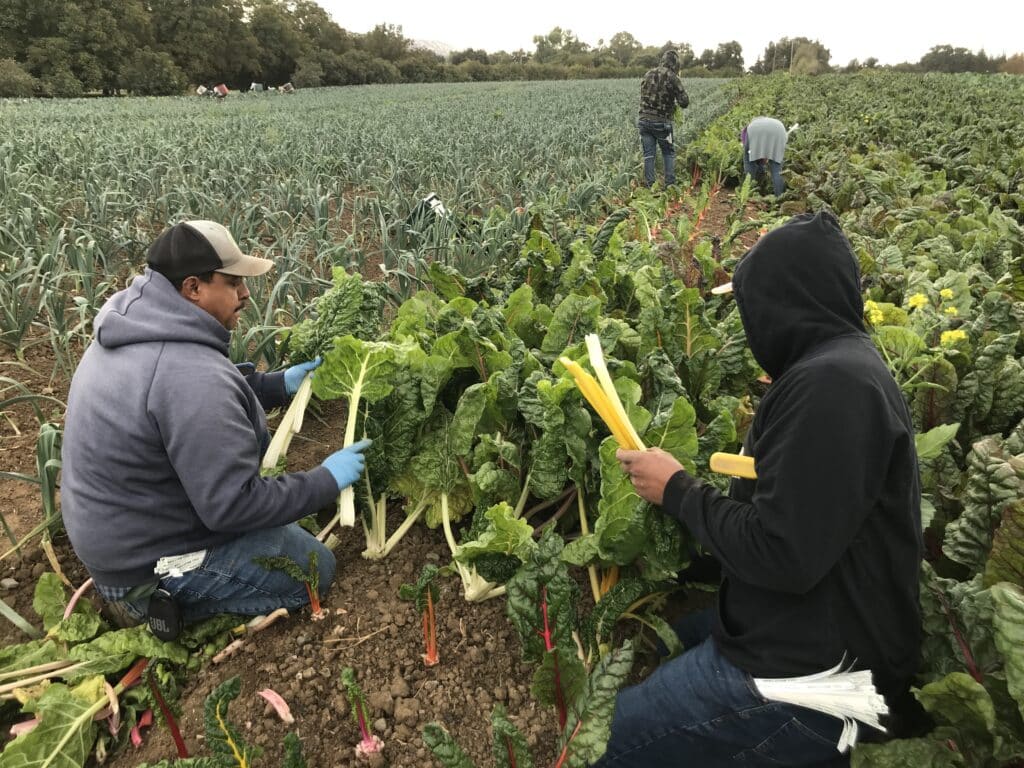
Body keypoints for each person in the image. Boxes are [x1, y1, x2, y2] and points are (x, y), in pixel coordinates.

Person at [597, 211, 924, 767]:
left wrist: (677, 491)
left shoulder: (833, 389)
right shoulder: (837, 366)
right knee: (665, 639)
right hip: (813, 619)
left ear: (784, 305)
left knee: (605, 737)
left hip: (812, 676)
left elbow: (784, 554)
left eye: (752, 309)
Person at [61, 220, 370, 628]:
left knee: (284, 525)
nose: (245, 294)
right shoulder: (188, 377)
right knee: (313, 566)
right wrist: (326, 480)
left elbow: (180, 405)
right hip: (148, 570)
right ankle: (161, 608)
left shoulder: (135, 325)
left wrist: (275, 384)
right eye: (233, 283)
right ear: (193, 288)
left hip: (125, 532)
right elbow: (234, 506)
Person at [638, 49, 690, 188]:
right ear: (675, 64)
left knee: (649, 154)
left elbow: (643, 92)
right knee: (668, 152)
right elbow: (684, 102)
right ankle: (670, 185)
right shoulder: (672, 77)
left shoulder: (648, 73)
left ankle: (650, 186)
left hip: (643, 120)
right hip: (662, 123)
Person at [741, 116, 789, 196]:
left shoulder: (748, 128)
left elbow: (748, 149)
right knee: (776, 168)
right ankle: (780, 197)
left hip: (755, 130)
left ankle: (747, 192)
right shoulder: (773, 122)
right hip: (779, 129)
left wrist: (754, 155)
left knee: (749, 160)